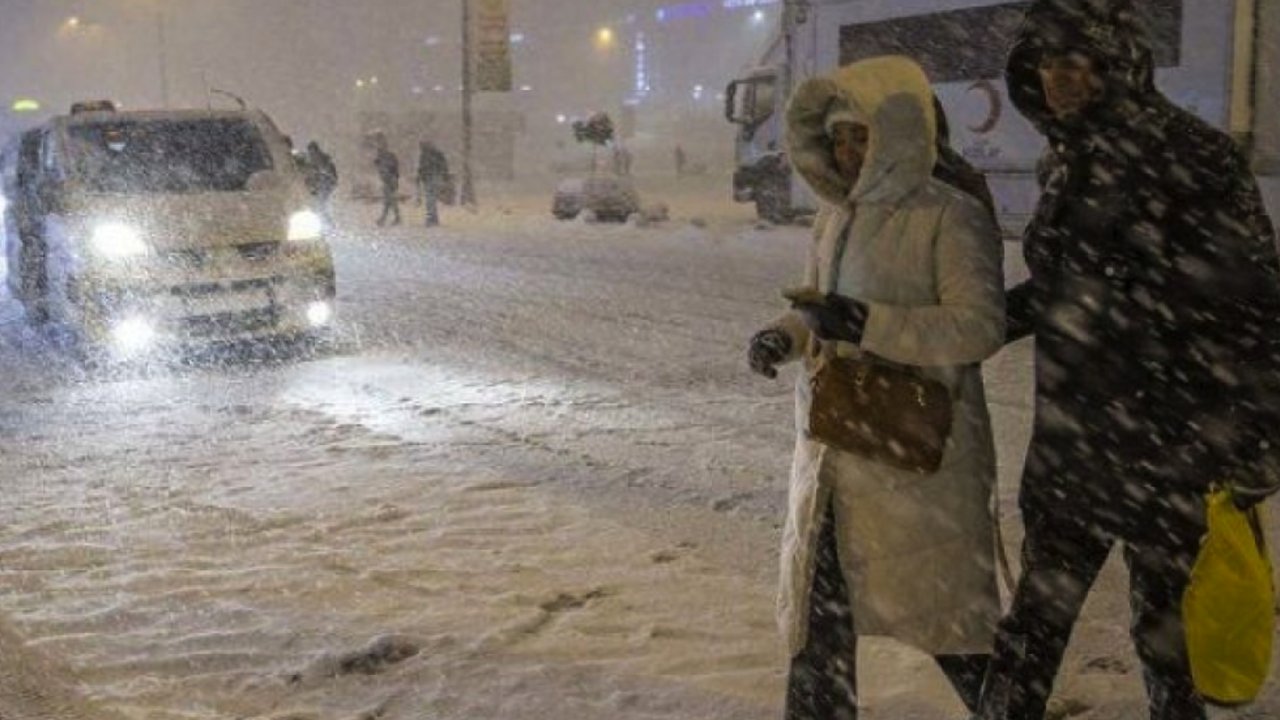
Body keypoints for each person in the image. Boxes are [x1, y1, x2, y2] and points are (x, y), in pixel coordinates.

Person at [975, 2, 1280, 719]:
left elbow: (1257, 309)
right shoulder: (1067, 158)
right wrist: (961, 329)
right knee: (1031, 634)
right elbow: (1062, 292)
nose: (1062, 78)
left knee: (1167, 645)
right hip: (1073, 445)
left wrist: (1258, 441)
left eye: (1081, 62)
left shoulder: (1195, 155)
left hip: (1170, 448)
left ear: (1119, 67)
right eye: (1050, 62)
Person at [746, 55, 1007, 719]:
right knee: (819, 619)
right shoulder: (835, 216)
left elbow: (977, 327)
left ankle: (1008, 710)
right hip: (837, 445)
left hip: (916, 458)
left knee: (949, 623)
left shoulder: (949, 216)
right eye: (838, 138)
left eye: (861, 136)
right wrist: (790, 332)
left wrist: (869, 324)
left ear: (898, 135)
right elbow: (822, 308)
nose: (847, 150)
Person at [415, 140, 449, 227]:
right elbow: (444, 166)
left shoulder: (427, 155)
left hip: (431, 178)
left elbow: (422, 167)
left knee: (430, 199)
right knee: (431, 199)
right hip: (432, 177)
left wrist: (420, 175)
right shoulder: (435, 154)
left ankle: (431, 218)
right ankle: (433, 218)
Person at [303, 141, 338, 222]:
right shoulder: (314, 160)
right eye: (310, 151)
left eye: (312, 151)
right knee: (320, 208)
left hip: (325, 187)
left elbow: (328, 173)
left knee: (322, 208)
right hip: (320, 188)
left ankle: (328, 227)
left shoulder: (321, 160)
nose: (311, 153)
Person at [374, 139, 401, 227]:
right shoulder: (381, 158)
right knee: (389, 201)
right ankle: (390, 218)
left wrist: (393, 179)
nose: (378, 152)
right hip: (387, 180)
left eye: (380, 149)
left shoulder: (388, 157)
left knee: (390, 201)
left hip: (390, 181)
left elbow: (394, 169)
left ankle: (387, 219)